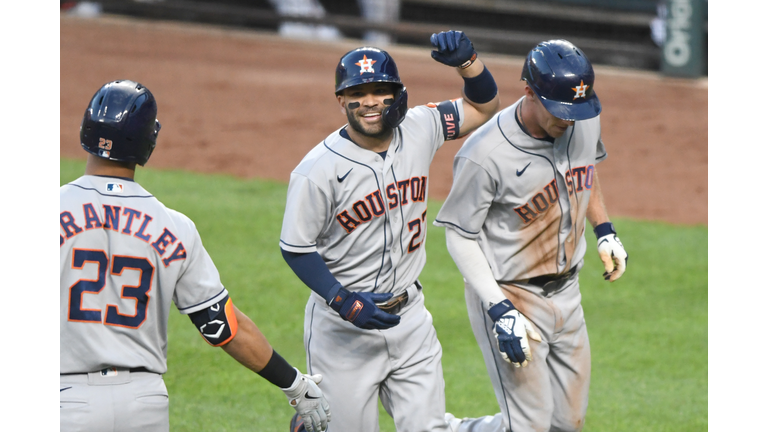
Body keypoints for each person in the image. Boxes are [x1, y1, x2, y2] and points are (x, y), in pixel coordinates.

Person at [60, 80, 331, 432]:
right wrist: (294, 383)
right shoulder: (175, 227)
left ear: (86, 130)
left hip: (64, 399)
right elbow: (222, 326)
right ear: (149, 142)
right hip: (144, 405)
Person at [279, 30, 499, 431]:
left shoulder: (421, 127)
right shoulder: (318, 170)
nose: (370, 102)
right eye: (358, 93)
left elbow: (483, 107)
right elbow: (295, 247)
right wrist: (342, 300)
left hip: (410, 318)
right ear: (341, 100)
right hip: (342, 330)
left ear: (397, 93)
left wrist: (470, 65)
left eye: (381, 90)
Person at [433, 40, 629, 432]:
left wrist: (604, 230)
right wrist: (498, 309)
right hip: (512, 295)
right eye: (560, 111)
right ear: (529, 92)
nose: (569, 121)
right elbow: (459, 236)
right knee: (530, 426)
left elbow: (585, 171)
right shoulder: (485, 154)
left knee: (567, 424)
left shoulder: (582, 117)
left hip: (568, 295)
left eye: (576, 111)